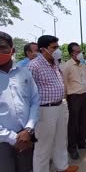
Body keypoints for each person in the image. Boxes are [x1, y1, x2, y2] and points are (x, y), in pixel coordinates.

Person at [28, 35, 78, 172]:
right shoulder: (34, 66)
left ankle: (62, 167)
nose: (58, 50)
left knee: (60, 139)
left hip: (59, 106)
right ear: (43, 49)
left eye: (58, 47)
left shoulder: (55, 64)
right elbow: (27, 92)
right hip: (44, 110)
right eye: (54, 47)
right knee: (43, 146)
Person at [0, 31, 40, 172]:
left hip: (27, 136)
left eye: (2, 47)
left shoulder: (24, 73)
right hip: (3, 141)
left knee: (27, 168)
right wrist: (13, 138)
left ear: (12, 50)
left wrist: (28, 129)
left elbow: (35, 100)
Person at [62, 42, 86, 160]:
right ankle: (72, 148)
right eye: (77, 52)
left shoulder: (83, 65)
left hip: (84, 95)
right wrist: (67, 98)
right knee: (73, 123)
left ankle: (82, 142)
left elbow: (84, 80)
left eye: (80, 51)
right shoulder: (67, 66)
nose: (80, 54)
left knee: (84, 120)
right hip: (73, 97)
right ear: (72, 54)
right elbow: (64, 83)